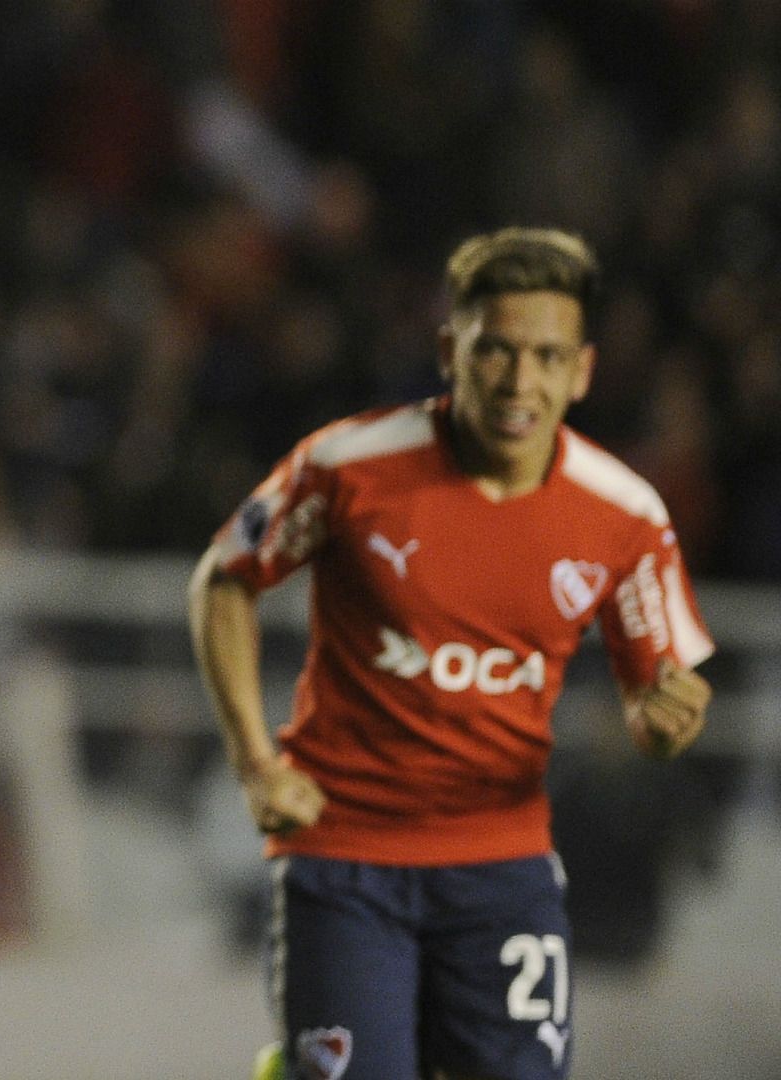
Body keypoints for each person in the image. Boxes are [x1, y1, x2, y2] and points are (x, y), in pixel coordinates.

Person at [189, 227, 715, 1080]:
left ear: (580, 371)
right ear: (449, 351)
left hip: (502, 871)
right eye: (496, 351)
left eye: (546, 357)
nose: (519, 382)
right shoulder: (350, 467)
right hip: (343, 860)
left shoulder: (625, 515)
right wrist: (257, 763)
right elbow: (224, 579)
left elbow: (659, 704)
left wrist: (668, 721)